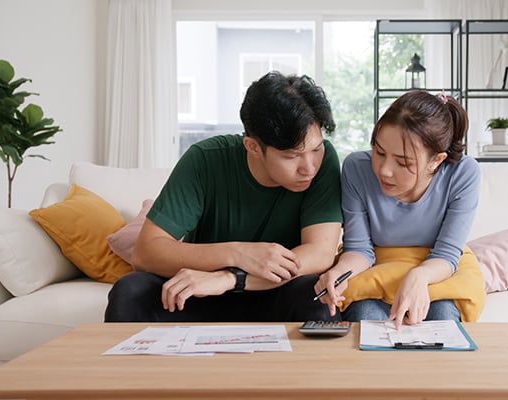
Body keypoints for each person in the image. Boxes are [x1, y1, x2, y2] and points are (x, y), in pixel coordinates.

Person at [105, 71, 343, 323]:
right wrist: (237, 253)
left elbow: (319, 253)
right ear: (252, 147)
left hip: (273, 291)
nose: (309, 167)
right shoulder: (205, 159)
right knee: (130, 291)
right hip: (200, 292)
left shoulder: (324, 160)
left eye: (315, 149)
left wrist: (232, 279)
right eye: (291, 156)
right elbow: (146, 254)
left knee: (317, 300)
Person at [314, 90, 486, 329]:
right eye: (379, 152)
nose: (384, 170)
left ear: (436, 161)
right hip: (377, 268)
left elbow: (447, 254)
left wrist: (419, 276)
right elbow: (360, 249)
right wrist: (339, 273)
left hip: (438, 268)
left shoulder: (463, 173)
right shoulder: (356, 168)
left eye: (403, 162)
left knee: (443, 316)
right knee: (365, 316)